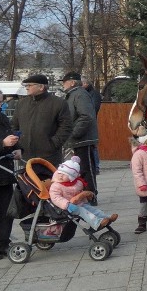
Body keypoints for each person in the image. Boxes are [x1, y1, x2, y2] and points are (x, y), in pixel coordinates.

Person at [9, 74, 72, 166]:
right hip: (25, 156)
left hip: (49, 156)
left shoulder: (58, 103)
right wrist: (17, 145)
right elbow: (14, 126)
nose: (27, 88)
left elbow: (66, 127)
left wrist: (52, 144)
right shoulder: (21, 103)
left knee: (48, 180)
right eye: (26, 85)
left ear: (41, 87)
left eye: (30, 85)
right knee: (27, 180)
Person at [48, 156, 117, 231]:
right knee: (84, 212)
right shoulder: (56, 186)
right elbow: (56, 198)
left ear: (72, 177)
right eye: (59, 173)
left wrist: (85, 198)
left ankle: (106, 217)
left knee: (92, 209)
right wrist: (66, 204)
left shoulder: (77, 183)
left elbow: (79, 193)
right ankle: (97, 223)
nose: (60, 176)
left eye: (64, 174)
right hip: (67, 207)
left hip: (78, 203)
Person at [0, 86, 20, 258]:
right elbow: (3, 141)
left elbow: (10, 137)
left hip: (3, 173)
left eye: (0, 102)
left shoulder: (2, 117)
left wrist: (17, 149)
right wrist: (1, 143)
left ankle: (2, 245)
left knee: (6, 213)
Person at [61, 72, 99, 200]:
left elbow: (86, 116)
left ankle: (91, 195)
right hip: (77, 139)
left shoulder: (80, 95)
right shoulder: (73, 95)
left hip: (83, 139)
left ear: (72, 82)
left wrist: (74, 133)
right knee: (78, 169)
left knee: (86, 169)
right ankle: (83, 194)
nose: (63, 84)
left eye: (64, 81)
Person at [81, 77, 102, 175]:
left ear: (85, 84)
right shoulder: (85, 94)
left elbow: (94, 108)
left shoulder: (93, 94)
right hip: (88, 121)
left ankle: (96, 166)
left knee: (93, 146)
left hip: (91, 122)